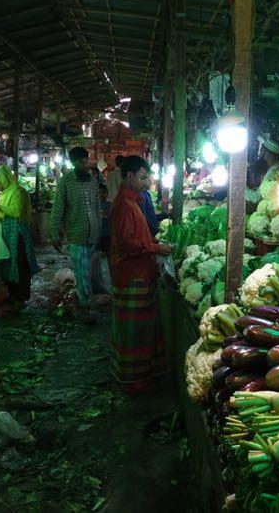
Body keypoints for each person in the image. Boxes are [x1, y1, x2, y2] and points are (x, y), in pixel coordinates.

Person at [109, 155, 173, 393]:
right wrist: (155, 248)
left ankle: (142, 373)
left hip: (140, 272)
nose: (147, 182)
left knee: (142, 327)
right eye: (143, 178)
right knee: (134, 330)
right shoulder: (124, 206)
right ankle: (133, 379)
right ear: (129, 176)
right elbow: (126, 243)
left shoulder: (133, 201)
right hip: (131, 274)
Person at [50, 147, 102, 311]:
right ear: (73, 163)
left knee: (88, 270)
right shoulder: (65, 182)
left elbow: (97, 207)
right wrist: (54, 233)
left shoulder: (92, 181)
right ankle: (85, 302)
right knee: (80, 270)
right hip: (76, 233)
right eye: (80, 162)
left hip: (93, 233)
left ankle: (86, 298)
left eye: (86, 162)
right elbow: (57, 209)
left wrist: (99, 227)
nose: (84, 165)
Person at [0, 165, 39, 305]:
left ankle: (21, 296)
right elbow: (3, 213)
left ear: (4, 179)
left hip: (18, 232)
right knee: (9, 263)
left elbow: (16, 211)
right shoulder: (4, 193)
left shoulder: (17, 191)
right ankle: (13, 294)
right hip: (7, 231)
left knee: (19, 262)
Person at [97, 185, 112, 253]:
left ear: (107, 193)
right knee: (97, 253)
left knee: (106, 253)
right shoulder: (93, 205)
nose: (101, 194)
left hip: (108, 234)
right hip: (97, 235)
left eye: (103, 192)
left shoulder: (111, 205)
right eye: (99, 192)